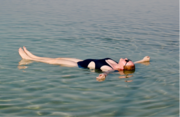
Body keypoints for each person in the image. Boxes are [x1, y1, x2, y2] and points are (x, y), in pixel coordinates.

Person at [18, 46, 150, 81]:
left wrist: (103, 76)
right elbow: (134, 65)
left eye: (126, 60)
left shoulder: (112, 68)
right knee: (58, 57)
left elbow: (107, 72)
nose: (126, 58)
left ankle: (28, 58)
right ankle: (33, 56)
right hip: (81, 60)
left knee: (54, 61)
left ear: (123, 67)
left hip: (78, 65)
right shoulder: (119, 65)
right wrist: (143, 60)